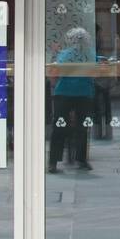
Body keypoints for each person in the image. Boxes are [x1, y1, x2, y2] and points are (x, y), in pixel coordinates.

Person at [48, 27, 95, 173]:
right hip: (83, 93)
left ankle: (53, 162)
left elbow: (57, 71)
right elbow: (95, 69)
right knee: (82, 127)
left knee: (59, 127)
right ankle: (81, 160)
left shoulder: (64, 54)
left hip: (64, 92)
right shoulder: (90, 54)